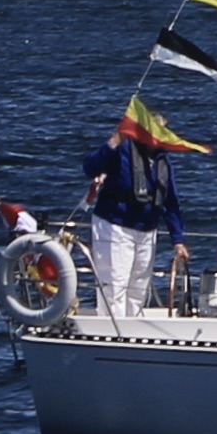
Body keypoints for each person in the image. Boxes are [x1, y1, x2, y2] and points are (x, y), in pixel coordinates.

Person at [83, 120, 186, 320]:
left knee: (139, 288)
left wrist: (178, 239)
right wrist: (113, 142)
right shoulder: (122, 149)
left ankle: (133, 326)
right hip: (115, 225)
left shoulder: (162, 160)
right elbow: (89, 168)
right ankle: (113, 330)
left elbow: (170, 201)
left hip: (147, 229)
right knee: (115, 285)